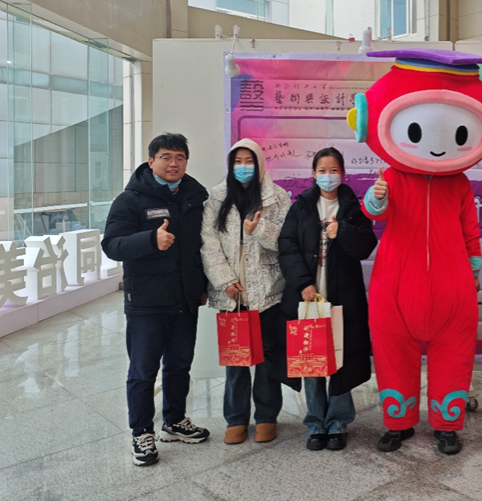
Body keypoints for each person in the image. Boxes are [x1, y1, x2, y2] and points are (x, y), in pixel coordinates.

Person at [102, 133, 210, 467]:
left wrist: (202, 285)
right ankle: (141, 432)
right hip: (147, 301)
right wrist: (151, 239)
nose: (173, 163)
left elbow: (200, 248)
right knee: (143, 371)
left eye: (180, 157)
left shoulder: (195, 196)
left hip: (185, 299)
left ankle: (174, 421)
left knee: (180, 365)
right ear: (151, 161)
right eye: (166, 157)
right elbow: (112, 245)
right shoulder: (131, 199)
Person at [278, 147, 377, 451]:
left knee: (340, 360)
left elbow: (365, 247)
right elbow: (287, 246)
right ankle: (316, 423)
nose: (328, 175)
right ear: (313, 174)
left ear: (343, 174)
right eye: (322, 170)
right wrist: (303, 283)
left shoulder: (353, 208)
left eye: (333, 170)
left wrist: (342, 230)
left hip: (343, 297)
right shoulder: (302, 207)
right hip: (308, 298)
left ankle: (338, 422)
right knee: (311, 360)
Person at [201, 138, 291, 445]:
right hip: (232, 294)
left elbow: (286, 241)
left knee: (267, 358)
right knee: (236, 360)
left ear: (259, 163)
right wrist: (224, 280)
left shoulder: (277, 197)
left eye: (248, 161)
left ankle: (266, 417)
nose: (243, 167)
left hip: (267, 291)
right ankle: (236, 419)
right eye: (237, 162)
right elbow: (208, 243)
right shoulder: (217, 197)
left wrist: (260, 230)